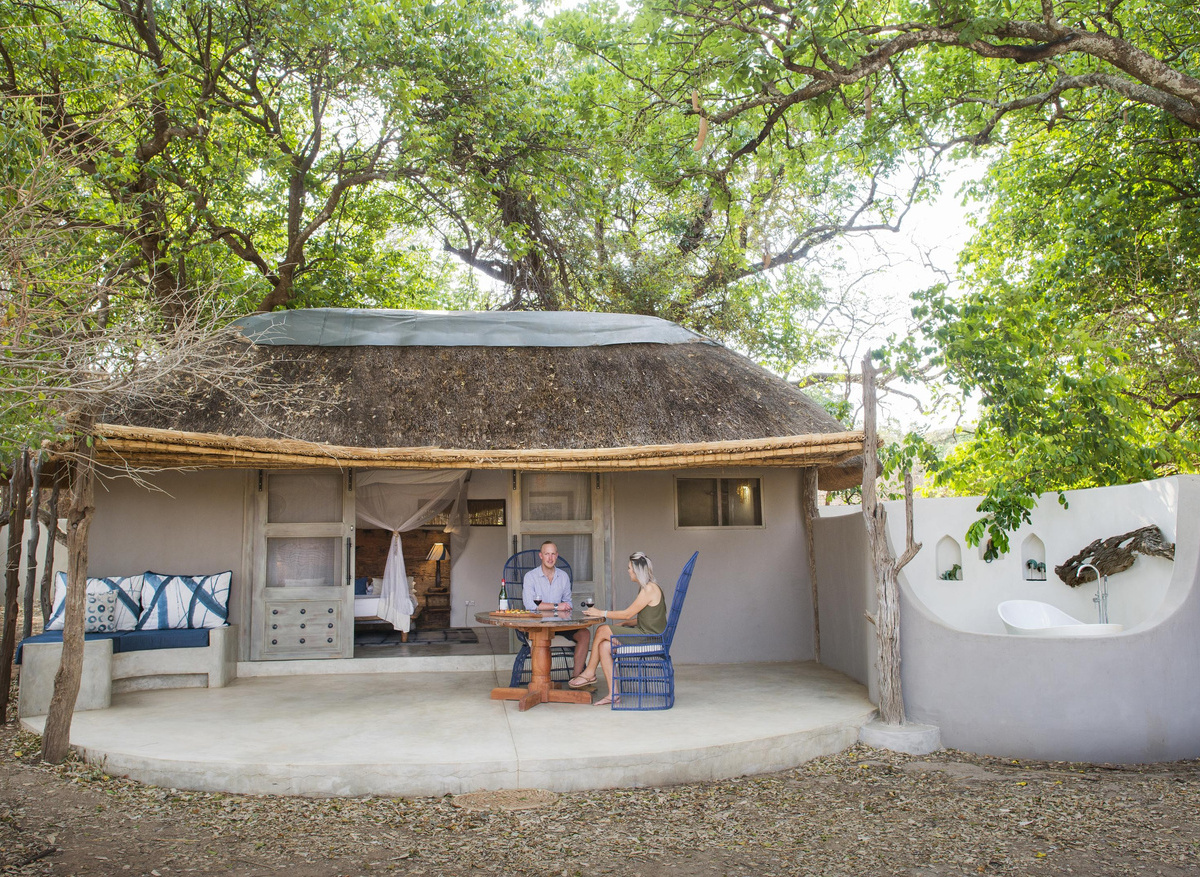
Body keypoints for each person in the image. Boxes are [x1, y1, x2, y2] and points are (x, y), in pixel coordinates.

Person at [569, 551, 667, 706]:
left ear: (636, 570)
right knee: (604, 645)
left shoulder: (649, 589)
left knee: (602, 629)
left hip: (647, 638)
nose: (628, 571)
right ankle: (613, 694)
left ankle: (590, 672)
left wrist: (601, 612)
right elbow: (648, 618)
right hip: (647, 633)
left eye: (629, 568)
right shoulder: (649, 588)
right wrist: (624, 625)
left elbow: (628, 614)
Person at [521, 540, 591, 678]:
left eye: (553, 554)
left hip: (560, 624)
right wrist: (556, 606)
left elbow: (567, 603)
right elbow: (530, 605)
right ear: (541, 556)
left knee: (585, 634)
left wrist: (563, 607)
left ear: (557, 555)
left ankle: (577, 679)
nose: (550, 558)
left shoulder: (563, 576)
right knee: (540, 636)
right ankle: (541, 681)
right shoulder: (530, 577)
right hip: (537, 625)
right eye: (547, 554)